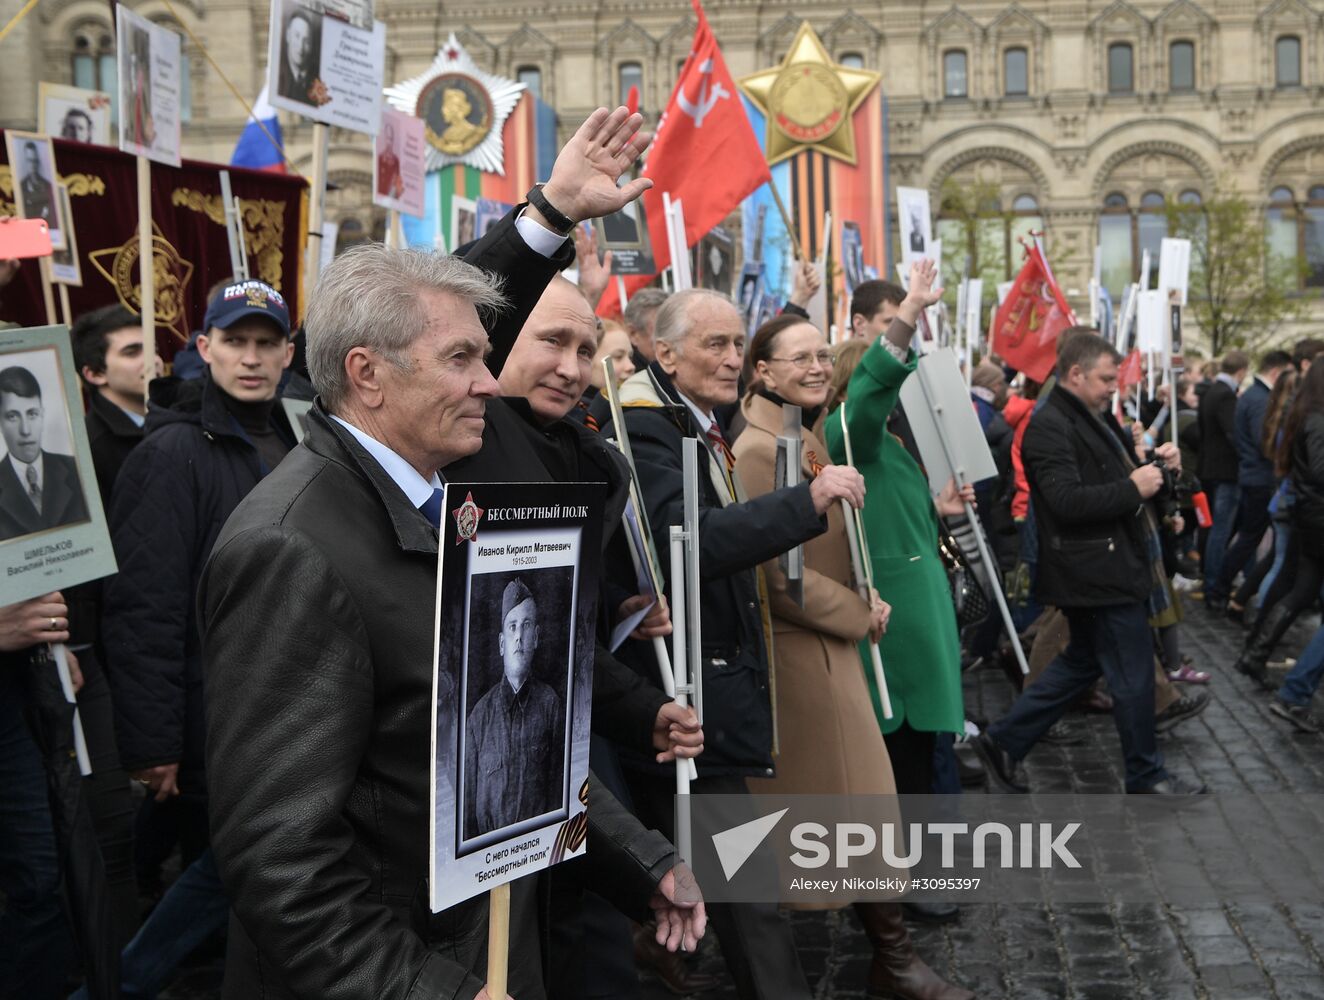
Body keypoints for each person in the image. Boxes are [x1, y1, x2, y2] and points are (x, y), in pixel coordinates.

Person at [201, 104, 704, 999]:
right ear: (367, 375)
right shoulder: (292, 550)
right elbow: (281, 860)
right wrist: (426, 989)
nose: (488, 381)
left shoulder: (446, 507)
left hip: (490, 945)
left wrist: (641, 861)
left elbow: (507, 761)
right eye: (466, 359)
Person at [601, 287, 868, 1000]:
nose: (731, 357)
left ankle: (655, 948)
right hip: (674, 693)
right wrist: (803, 504)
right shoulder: (646, 430)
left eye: (735, 341)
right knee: (745, 897)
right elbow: (687, 544)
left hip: (702, 688)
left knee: (723, 887)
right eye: (713, 344)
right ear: (664, 353)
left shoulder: (693, 420)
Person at [735, 313, 974, 1000]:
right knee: (851, 814)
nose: (815, 366)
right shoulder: (761, 450)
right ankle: (889, 961)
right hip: (809, 651)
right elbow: (780, 579)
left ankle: (888, 958)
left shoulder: (797, 436)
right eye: (798, 357)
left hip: (831, 644)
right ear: (764, 371)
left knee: (855, 815)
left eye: (819, 355)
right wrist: (858, 611)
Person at [972, 332, 1206, 795]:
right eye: (1104, 378)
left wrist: (1157, 465)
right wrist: (1132, 487)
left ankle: (1003, 742)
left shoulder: (1090, 415)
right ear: (1075, 374)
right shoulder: (1049, 423)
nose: (1111, 387)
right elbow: (1064, 500)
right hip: (1096, 572)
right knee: (1134, 675)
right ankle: (1145, 773)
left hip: (1107, 567)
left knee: (1079, 663)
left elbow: (1117, 475)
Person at [823, 263, 970, 798]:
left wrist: (937, 508)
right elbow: (869, 397)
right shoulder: (847, 435)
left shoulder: (889, 445)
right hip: (898, 633)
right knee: (904, 773)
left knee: (924, 763)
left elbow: (890, 512)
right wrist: (907, 315)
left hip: (923, 623)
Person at [1238, 360, 1324, 701]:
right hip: (1317, 514)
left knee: (1301, 591)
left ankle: (1255, 654)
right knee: (1296, 587)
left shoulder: (1306, 415)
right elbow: (1319, 469)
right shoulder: (1316, 420)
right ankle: (1262, 659)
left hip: (1309, 512)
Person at [464, 578, 566, 838]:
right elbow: (466, 812)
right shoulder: (478, 718)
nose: (519, 636)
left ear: (536, 638)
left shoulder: (550, 706)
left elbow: (558, 794)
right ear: (501, 643)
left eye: (526, 625)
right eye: (512, 627)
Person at [1213, 350, 1292, 618]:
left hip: (1253, 476)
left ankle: (1226, 589)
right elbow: (1264, 442)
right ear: (1276, 372)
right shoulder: (1260, 399)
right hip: (1260, 477)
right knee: (1250, 540)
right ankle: (1221, 589)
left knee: (1252, 540)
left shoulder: (1252, 395)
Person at [70, 304, 163, 508]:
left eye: (153, 349)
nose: (153, 360)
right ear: (94, 374)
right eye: (132, 353)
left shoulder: (178, 421)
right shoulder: (86, 449)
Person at [0, 365, 90, 541]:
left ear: (42, 415)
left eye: (32, 414)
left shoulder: (77, 470)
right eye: (13, 416)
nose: (25, 430)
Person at [1198, 349, 1250, 612]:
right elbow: (1234, 433)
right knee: (1221, 529)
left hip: (1213, 468)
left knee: (1219, 528)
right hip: (1226, 471)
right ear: (1240, 372)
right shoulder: (1224, 394)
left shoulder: (1211, 391)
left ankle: (1213, 580)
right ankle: (1214, 583)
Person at [277, 10, 317, 104]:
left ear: (311, 45)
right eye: (297, 36)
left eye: (306, 41)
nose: (300, 46)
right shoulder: (277, 76)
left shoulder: (317, 79)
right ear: (288, 35)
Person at [18, 142, 54, 230]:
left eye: (35, 161)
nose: (33, 165)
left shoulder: (48, 185)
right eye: (30, 161)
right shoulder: (20, 186)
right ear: (26, 162)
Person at [376, 121, 402, 198]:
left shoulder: (396, 160)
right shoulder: (380, 158)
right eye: (387, 139)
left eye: (391, 139)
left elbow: (397, 179)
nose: (389, 142)